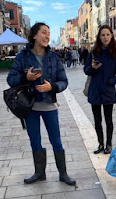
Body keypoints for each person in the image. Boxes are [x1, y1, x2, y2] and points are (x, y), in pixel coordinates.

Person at [7, 22, 76, 186]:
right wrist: (26, 78)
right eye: (44, 33)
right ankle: (39, 173)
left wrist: (52, 87)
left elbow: (64, 81)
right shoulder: (22, 57)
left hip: (49, 105)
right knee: (34, 140)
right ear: (35, 35)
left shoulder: (53, 57)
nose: (47, 36)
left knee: (56, 140)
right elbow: (10, 79)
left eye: (48, 33)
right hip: (30, 106)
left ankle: (63, 173)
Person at [84, 25, 116, 154]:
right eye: (103, 35)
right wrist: (92, 68)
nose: (105, 37)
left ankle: (109, 144)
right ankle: (100, 144)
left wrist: (111, 81)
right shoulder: (94, 52)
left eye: (108, 34)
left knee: (108, 120)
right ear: (99, 37)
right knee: (97, 120)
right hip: (95, 91)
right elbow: (86, 70)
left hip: (108, 91)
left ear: (111, 35)